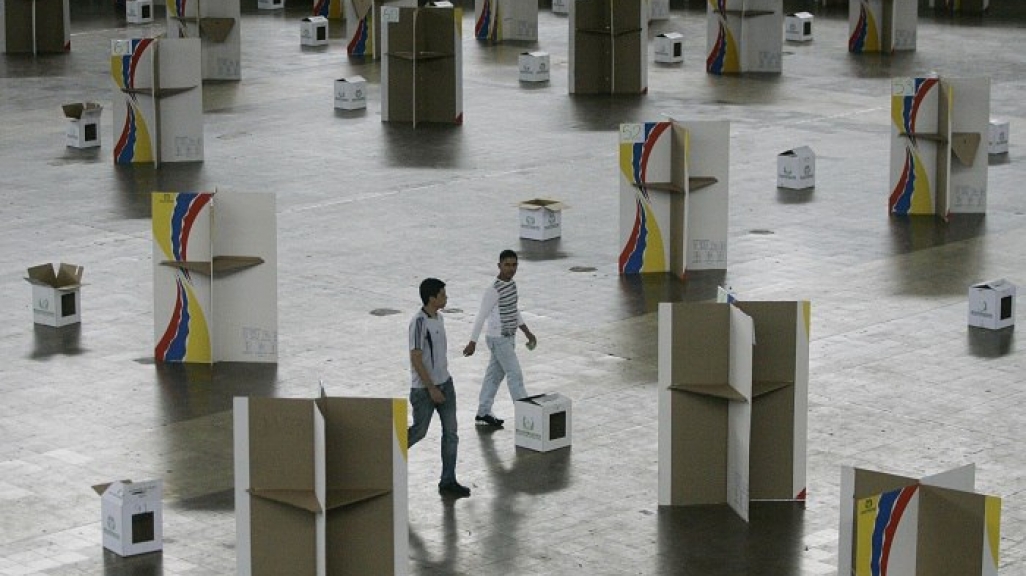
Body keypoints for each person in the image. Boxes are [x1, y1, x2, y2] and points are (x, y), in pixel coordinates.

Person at [407, 278, 470, 498]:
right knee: (419, 431)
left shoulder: (439, 318)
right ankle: (388, 456)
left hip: (446, 384)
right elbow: (415, 358)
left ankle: (448, 480)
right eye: (443, 294)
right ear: (432, 298)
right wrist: (431, 388)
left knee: (451, 432)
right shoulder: (418, 322)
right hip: (425, 390)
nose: (446, 298)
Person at [463, 249, 537, 428]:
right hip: (498, 339)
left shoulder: (512, 285)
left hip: (509, 337)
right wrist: (472, 342)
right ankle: (526, 415)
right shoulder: (493, 290)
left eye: (514, 265)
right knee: (515, 374)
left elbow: (514, 310)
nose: (511, 269)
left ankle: (483, 412)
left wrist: (526, 331)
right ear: (499, 266)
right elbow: (481, 316)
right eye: (507, 265)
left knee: (493, 376)